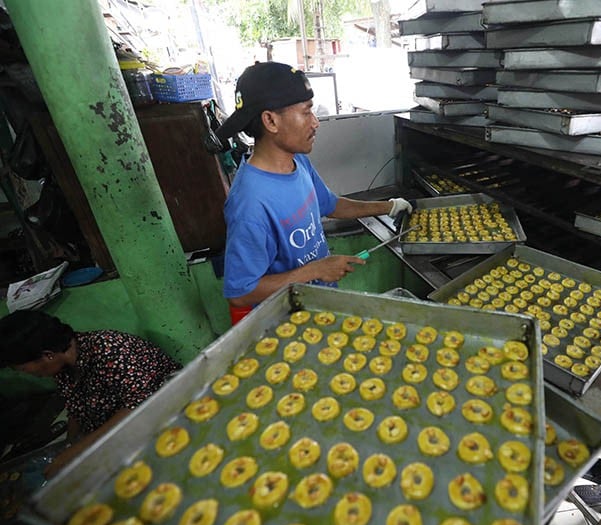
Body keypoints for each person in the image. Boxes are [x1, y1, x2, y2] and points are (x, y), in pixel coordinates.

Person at [215, 61, 413, 311]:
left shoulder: (297, 161)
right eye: (306, 111)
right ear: (271, 121)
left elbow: (330, 205)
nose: (315, 122)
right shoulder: (250, 202)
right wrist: (315, 270)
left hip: (318, 305)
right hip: (290, 320)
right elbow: (240, 293)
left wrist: (389, 206)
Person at [0, 310, 182, 477]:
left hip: (167, 411)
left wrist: (78, 450)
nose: (28, 374)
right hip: (120, 422)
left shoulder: (110, 349)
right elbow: (76, 408)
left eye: (24, 368)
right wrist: (70, 445)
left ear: (48, 355)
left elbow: (139, 404)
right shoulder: (63, 367)